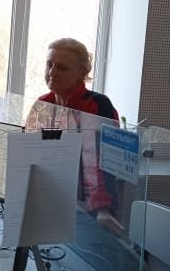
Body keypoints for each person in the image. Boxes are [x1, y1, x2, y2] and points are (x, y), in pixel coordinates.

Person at [34, 37, 123, 235]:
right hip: (53, 197)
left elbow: (101, 161)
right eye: (49, 64)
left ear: (82, 73)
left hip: (89, 205)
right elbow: (35, 149)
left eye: (62, 68)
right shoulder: (43, 104)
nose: (52, 72)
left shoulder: (97, 105)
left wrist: (102, 209)